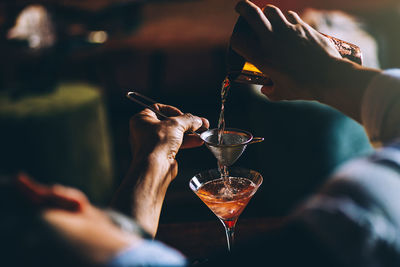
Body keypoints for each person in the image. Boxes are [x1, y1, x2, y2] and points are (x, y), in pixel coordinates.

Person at [4, 0, 400, 266]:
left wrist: (151, 160)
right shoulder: (353, 223)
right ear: (48, 195)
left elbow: (134, 245)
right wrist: (334, 77)